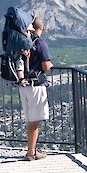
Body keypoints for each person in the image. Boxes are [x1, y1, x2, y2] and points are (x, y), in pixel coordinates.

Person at [19, 17, 52, 161]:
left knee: (30, 119)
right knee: (35, 121)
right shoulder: (40, 43)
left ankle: (32, 149)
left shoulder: (22, 43)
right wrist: (50, 64)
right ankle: (31, 153)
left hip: (23, 84)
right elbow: (45, 66)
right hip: (36, 85)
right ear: (42, 28)